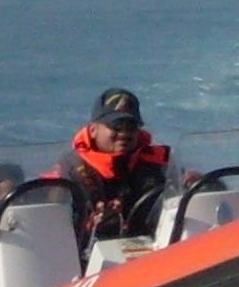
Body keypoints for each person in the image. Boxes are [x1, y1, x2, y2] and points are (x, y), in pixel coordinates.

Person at [53, 87, 170, 239]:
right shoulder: (68, 171)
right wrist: (90, 225)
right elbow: (48, 216)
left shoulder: (160, 160)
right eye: (117, 126)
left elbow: (184, 186)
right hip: (89, 255)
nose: (124, 133)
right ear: (93, 130)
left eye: (131, 126)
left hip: (157, 248)